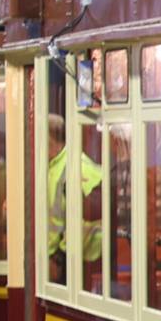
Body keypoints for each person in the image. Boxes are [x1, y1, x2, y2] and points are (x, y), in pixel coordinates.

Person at [43, 113, 103, 286]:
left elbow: (88, 219)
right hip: (61, 262)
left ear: (48, 140)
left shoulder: (77, 167)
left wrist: (59, 259)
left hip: (84, 266)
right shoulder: (52, 166)